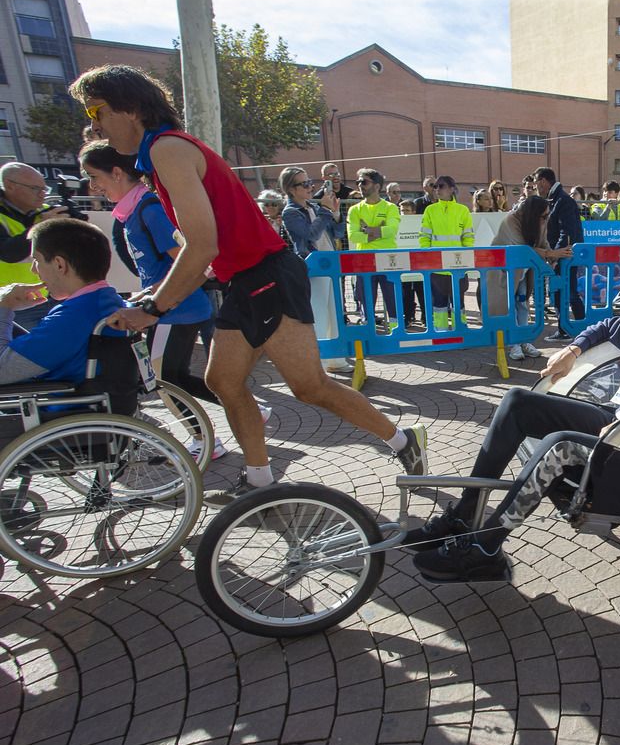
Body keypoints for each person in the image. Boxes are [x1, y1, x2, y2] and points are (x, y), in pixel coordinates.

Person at [70, 65, 427, 506]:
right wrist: (156, 295)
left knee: (309, 386)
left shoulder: (166, 149)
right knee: (222, 380)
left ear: (128, 106)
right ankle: (260, 483)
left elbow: (202, 245)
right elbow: (203, 250)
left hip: (266, 275)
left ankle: (403, 441)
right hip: (246, 279)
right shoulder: (160, 155)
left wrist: (155, 308)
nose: (93, 124)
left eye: (94, 109)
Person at [406, 256, 620, 581]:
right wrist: (572, 350)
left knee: (560, 445)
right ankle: (465, 515)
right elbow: (608, 326)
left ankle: (485, 548)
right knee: (518, 402)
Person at [78, 141, 227, 460]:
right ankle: (246, 409)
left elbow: (188, 262)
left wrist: (150, 300)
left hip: (176, 310)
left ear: (116, 172)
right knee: (175, 376)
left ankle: (206, 440)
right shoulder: (135, 210)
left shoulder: (149, 208)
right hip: (170, 309)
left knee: (159, 379)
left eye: (94, 176)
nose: (92, 186)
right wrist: (144, 296)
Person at [0, 219, 126, 394]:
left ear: (60, 264)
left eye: (36, 260)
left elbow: (2, 370)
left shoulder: (74, 316)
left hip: (48, 410)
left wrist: (4, 308)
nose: (34, 271)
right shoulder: (107, 300)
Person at [279, 166, 353, 374]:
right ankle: (318, 364)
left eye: (309, 182)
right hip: (312, 267)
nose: (310, 186)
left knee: (335, 314)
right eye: (304, 184)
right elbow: (311, 234)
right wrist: (325, 211)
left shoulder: (314, 207)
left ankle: (336, 359)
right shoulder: (291, 212)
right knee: (318, 315)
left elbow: (338, 233)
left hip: (330, 264)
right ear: (291, 189)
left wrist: (336, 213)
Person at [486, 195, 571, 362]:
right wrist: (550, 254)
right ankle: (513, 344)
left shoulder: (539, 221)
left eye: (548, 215)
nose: (547, 219)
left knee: (523, 304)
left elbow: (543, 243)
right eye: (544, 216)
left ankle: (523, 340)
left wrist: (553, 259)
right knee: (509, 306)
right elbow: (522, 249)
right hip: (505, 272)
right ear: (533, 214)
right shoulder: (511, 220)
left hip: (524, 270)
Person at [0, 162, 71, 331]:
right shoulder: (45, 218)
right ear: (9, 186)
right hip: (13, 302)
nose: (42, 194)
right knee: (24, 354)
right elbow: (8, 252)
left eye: (44, 189)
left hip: (51, 294)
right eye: (35, 188)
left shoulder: (46, 211)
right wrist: (42, 226)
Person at [348, 168, 401, 334]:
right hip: (364, 260)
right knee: (366, 301)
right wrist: (378, 231)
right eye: (358, 182)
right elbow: (353, 237)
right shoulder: (354, 210)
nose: (360, 185)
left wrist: (366, 230)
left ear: (377, 186)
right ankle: (368, 334)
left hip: (388, 259)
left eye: (364, 182)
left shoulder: (390, 208)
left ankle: (396, 334)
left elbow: (391, 231)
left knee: (392, 300)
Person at [535, 167, 586, 342]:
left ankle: (579, 330)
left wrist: (555, 256)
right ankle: (571, 329)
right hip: (563, 253)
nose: (536, 187)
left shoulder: (562, 200)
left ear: (543, 181)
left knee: (568, 292)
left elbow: (567, 232)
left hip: (566, 255)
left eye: (536, 183)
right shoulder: (556, 199)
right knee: (561, 292)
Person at [418, 175, 474, 330]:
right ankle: (441, 332)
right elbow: (424, 237)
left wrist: (463, 256)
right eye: (435, 187)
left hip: (458, 265)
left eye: (441, 186)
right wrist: (428, 255)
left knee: (459, 302)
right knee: (439, 303)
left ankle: (460, 331)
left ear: (452, 189)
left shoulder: (463, 210)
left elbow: (468, 237)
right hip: (437, 266)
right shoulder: (430, 210)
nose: (437, 190)